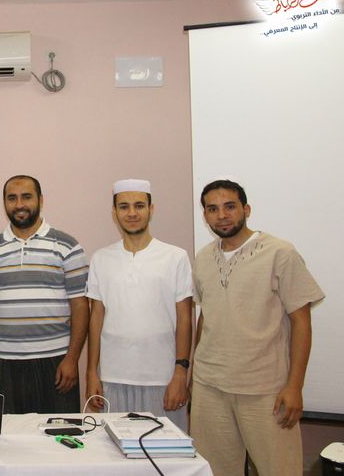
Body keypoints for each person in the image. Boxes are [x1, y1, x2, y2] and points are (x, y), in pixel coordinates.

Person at [191, 179, 324, 476]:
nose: (222, 215)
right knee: (213, 471)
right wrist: (194, 376)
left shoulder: (279, 253)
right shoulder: (203, 258)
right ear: (205, 215)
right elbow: (206, 316)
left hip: (265, 389)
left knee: (280, 470)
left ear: (246, 209)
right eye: (212, 209)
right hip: (210, 387)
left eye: (229, 206)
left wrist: (295, 386)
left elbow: (301, 321)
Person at [0, 175, 89, 413]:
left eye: (26, 197)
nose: (19, 205)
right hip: (2, 362)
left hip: (56, 361)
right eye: (12, 198)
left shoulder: (67, 246)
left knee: (58, 432)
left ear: (40, 200)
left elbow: (80, 305)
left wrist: (72, 359)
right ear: (4, 203)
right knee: (8, 434)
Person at [84, 179, 192, 430]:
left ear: (151, 209)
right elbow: (96, 317)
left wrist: (180, 373)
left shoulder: (175, 257)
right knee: (113, 448)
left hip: (163, 379)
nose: (132, 213)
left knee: (165, 449)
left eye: (139, 206)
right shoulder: (101, 258)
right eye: (124, 207)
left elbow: (185, 318)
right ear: (114, 213)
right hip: (113, 377)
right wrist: (91, 372)